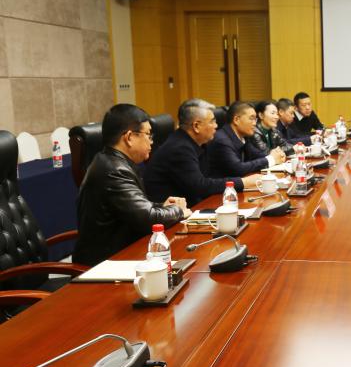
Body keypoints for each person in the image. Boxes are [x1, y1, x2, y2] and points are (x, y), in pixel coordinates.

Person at [73, 104, 190, 266]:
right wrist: (179, 211)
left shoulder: (112, 161)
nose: (151, 142)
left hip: (123, 252)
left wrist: (161, 206)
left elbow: (134, 210)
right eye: (148, 134)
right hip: (106, 264)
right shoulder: (114, 170)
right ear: (129, 137)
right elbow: (148, 219)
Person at [144, 99, 262, 207]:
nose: (216, 126)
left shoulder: (200, 143)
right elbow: (200, 186)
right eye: (212, 122)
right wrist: (243, 182)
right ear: (196, 126)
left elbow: (210, 177)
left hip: (194, 204)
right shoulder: (179, 148)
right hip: (172, 214)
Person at [207, 101, 286, 177]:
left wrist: (275, 155)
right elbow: (238, 168)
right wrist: (271, 159)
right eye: (251, 118)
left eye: (255, 119)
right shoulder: (222, 140)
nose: (254, 123)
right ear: (236, 120)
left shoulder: (244, 136)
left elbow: (257, 155)